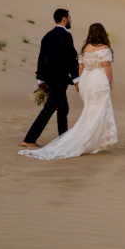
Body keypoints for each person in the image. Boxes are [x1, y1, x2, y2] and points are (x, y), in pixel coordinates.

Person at [20, 23, 118, 159]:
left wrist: (80, 81)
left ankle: (70, 138)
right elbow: (105, 64)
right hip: (95, 81)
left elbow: (79, 67)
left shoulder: (84, 48)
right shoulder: (102, 47)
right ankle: (32, 138)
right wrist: (111, 80)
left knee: (81, 110)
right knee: (95, 112)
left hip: (85, 82)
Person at [21, 9, 80, 148]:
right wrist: (76, 79)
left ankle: (63, 139)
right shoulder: (66, 35)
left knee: (63, 108)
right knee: (49, 108)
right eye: (70, 17)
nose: (71, 20)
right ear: (64, 19)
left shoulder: (47, 36)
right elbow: (69, 60)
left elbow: (41, 59)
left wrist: (40, 80)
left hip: (49, 78)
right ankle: (30, 138)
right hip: (60, 79)